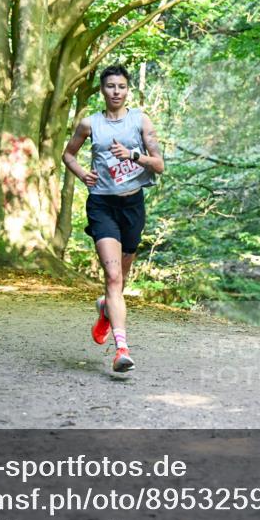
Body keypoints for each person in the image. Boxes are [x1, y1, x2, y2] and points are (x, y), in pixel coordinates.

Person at [63, 64, 165, 376]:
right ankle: (122, 349)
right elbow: (68, 155)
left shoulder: (140, 121)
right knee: (113, 279)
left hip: (133, 205)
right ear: (102, 90)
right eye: (110, 86)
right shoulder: (89, 124)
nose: (116, 92)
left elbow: (159, 165)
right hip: (102, 205)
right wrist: (83, 174)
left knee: (120, 279)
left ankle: (106, 309)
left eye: (121, 86)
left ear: (127, 90)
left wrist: (133, 156)